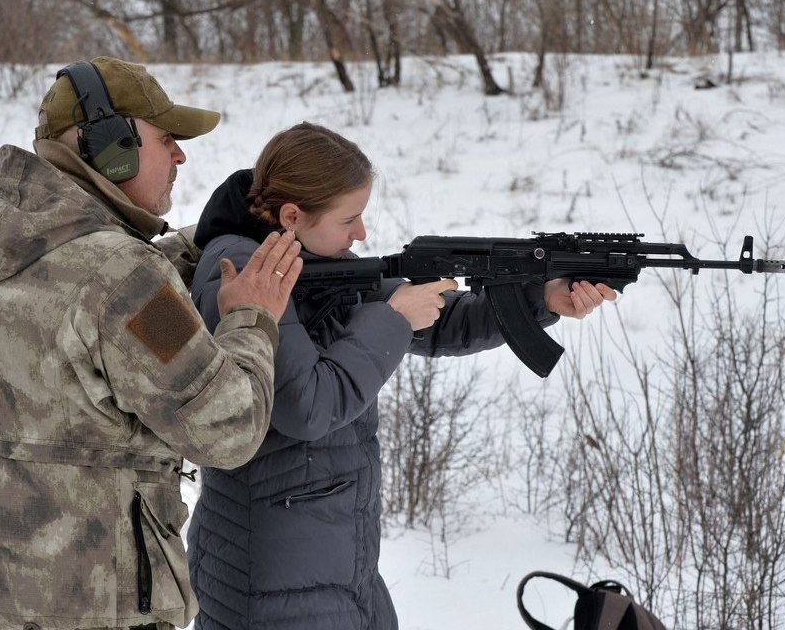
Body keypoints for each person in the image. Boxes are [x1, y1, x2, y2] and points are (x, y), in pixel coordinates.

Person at [184, 122, 617, 630]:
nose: (362, 233)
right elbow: (308, 405)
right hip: (275, 572)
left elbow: (435, 321)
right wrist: (393, 319)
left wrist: (540, 299)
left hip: (331, 558)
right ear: (292, 215)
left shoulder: (310, 256)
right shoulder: (244, 271)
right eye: (351, 218)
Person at [0, 57, 304, 630]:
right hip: (99, 607)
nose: (180, 157)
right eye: (167, 140)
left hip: (0, 599)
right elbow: (228, 426)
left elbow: (88, 312)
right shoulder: (123, 278)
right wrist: (252, 319)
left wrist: (195, 246)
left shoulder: (6, 244)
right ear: (113, 146)